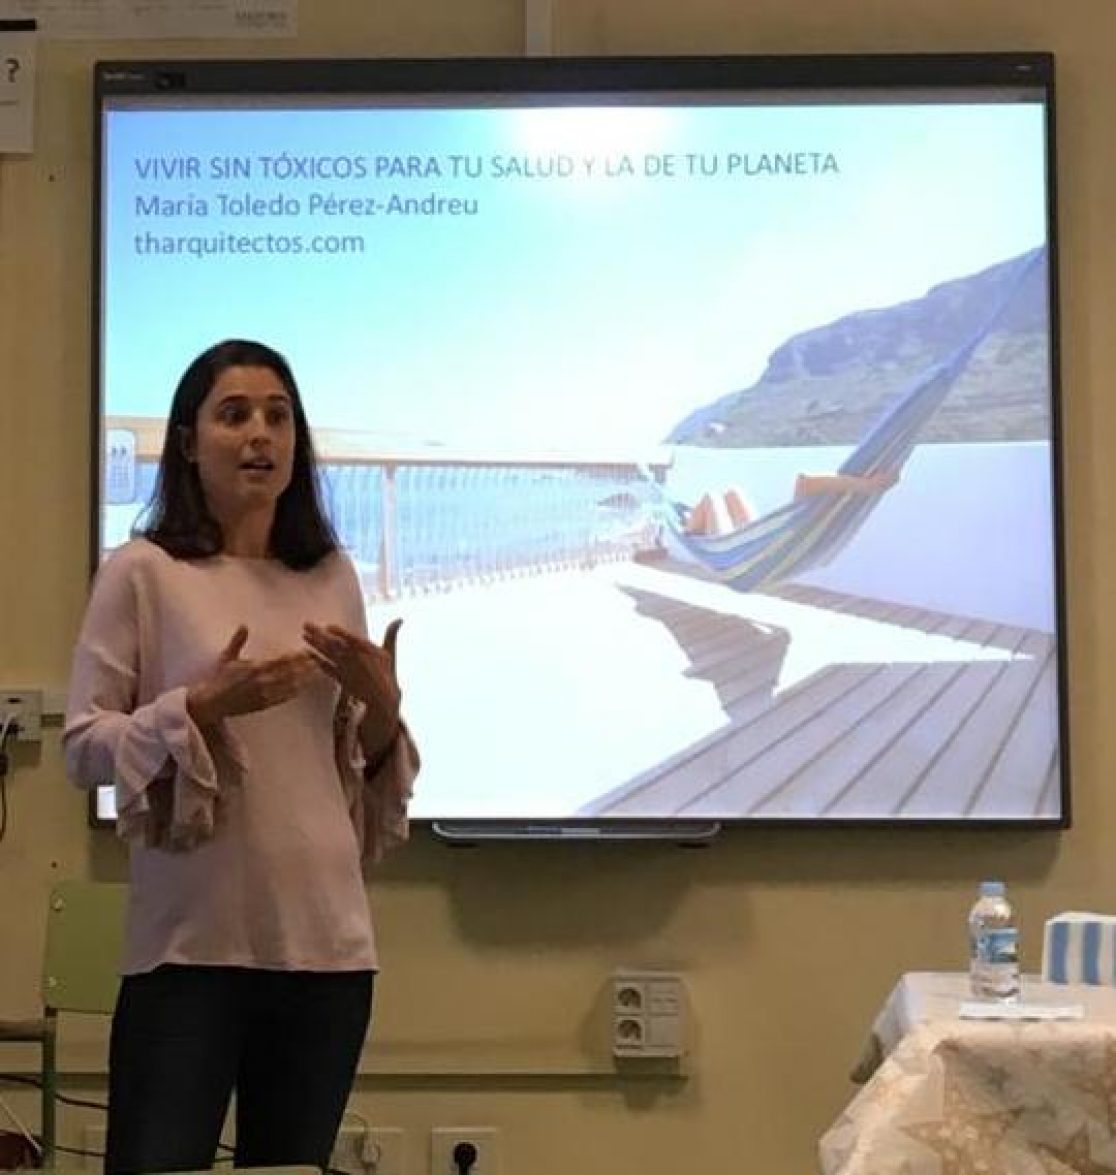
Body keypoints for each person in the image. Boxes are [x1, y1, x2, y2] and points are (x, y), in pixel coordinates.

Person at [63, 339, 420, 1175]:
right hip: (190, 951)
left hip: (328, 952)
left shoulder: (332, 574)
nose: (260, 433)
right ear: (190, 443)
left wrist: (384, 708)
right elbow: (83, 747)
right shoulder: (143, 571)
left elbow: (354, 773)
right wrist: (198, 707)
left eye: (278, 416)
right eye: (234, 414)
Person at [684, 468, 900, 537]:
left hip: (746, 548)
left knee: (711, 497)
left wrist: (868, 485)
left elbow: (805, 480)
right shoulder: (809, 524)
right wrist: (867, 485)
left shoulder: (799, 529)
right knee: (733, 492)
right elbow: (806, 482)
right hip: (757, 540)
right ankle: (691, 524)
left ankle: (689, 528)